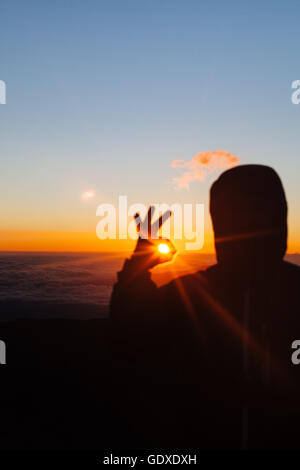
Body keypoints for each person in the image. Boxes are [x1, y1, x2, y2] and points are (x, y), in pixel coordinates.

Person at [110, 164, 300, 449]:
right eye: (238, 215)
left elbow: (129, 335)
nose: (250, 223)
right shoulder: (193, 292)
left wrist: (140, 261)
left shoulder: (193, 292)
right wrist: (140, 260)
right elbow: (130, 335)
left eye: (260, 213)